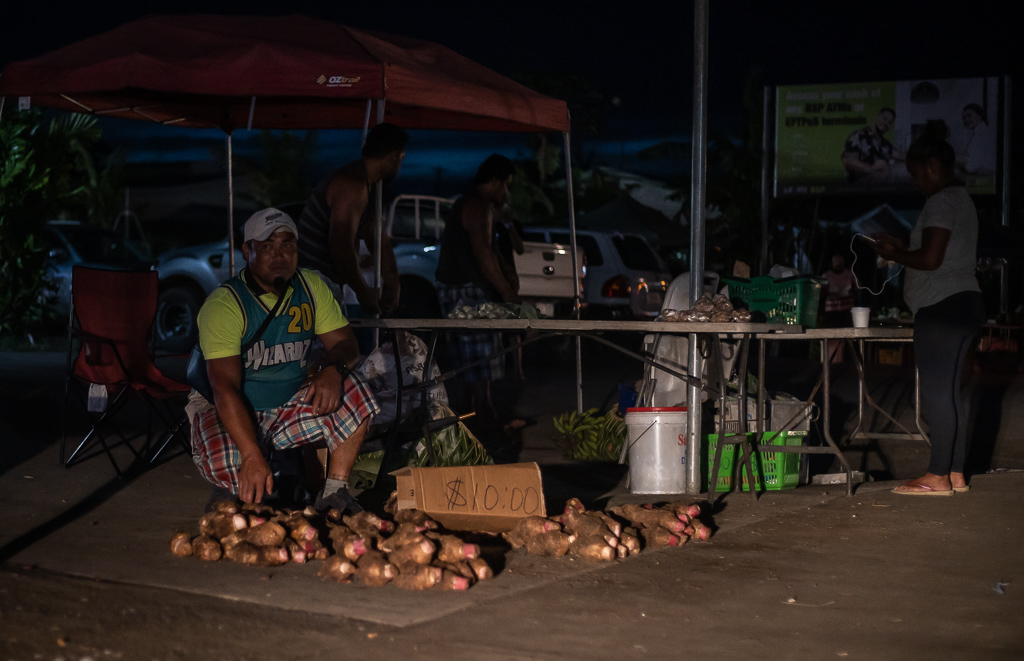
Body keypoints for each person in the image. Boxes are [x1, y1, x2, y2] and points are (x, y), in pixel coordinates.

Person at [192, 208, 379, 514]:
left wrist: (334, 369)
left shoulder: (310, 286)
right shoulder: (225, 304)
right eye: (267, 247)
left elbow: (346, 344)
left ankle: (334, 491)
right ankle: (230, 487)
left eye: (287, 246)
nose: (279, 255)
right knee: (227, 461)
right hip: (232, 407)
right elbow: (223, 388)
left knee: (355, 388)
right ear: (247, 251)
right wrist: (251, 453)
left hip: (288, 403)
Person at [871, 122, 984, 496]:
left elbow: (931, 258)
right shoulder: (961, 200)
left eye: (917, 174)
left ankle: (936, 477)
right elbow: (941, 252)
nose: (916, 183)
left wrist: (894, 254)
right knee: (949, 393)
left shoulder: (941, 200)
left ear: (933, 165)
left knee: (938, 393)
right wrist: (903, 245)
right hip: (963, 302)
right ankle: (953, 474)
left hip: (942, 308)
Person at [434, 154, 521, 435]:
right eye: (505, 184)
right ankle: (483, 424)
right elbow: (483, 253)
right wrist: (507, 292)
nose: (505, 191)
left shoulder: (472, 203)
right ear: (494, 181)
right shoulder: (477, 205)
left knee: (473, 364)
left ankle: (476, 423)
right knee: (479, 364)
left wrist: (507, 277)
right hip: (465, 292)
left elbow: (491, 251)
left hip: (460, 290)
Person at [297, 123, 409, 316]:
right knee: (337, 344)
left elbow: (378, 238)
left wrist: (392, 284)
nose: (400, 166)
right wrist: (363, 291)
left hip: (324, 282)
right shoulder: (352, 185)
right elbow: (340, 244)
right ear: (392, 157)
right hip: (313, 282)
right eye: (401, 159)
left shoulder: (369, 187)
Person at [841, 107, 905, 183]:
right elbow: (848, 160)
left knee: (902, 168)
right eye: (884, 119)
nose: (886, 123)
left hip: (879, 187)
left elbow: (899, 155)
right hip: (857, 187)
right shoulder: (859, 135)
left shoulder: (885, 144)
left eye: (889, 122)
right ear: (877, 117)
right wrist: (871, 169)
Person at [821, 254, 857, 362]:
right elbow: (822, 292)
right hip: (832, 311)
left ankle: (847, 360)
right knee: (834, 337)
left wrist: (851, 291)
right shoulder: (826, 275)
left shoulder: (849, 273)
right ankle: (833, 360)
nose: (838, 266)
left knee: (848, 337)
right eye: (836, 264)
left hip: (847, 310)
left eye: (840, 264)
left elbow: (857, 287)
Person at [958, 103, 996, 177]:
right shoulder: (978, 135)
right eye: (964, 118)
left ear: (980, 115)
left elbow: (973, 166)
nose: (966, 120)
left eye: (969, 115)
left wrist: (959, 163)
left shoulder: (984, 135)